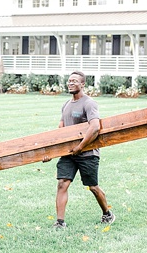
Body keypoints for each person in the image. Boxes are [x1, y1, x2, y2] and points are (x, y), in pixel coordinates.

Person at [44, 71, 115, 229]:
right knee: (62, 183)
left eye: (74, 81)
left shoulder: (89, 103)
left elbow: (95, 127)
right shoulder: (66, 105)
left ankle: (107, 213)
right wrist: (50, 151)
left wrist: (80, 147)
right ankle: (60, 222)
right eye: (69, 81)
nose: (70, 83)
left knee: (93, 187)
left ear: (83, 84)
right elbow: (60, 130)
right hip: (69, 153)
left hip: (88, 153)